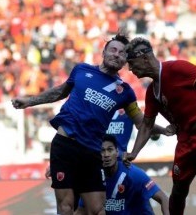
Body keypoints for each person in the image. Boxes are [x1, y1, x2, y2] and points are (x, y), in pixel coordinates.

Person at [11, 32, 144, 215]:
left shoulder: (125, 92)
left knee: (97, 210)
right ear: (103, 52)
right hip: (65, 145)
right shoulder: (81, 70)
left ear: (124, 61)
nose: (116, 54)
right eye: (113, 50)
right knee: (66, 207)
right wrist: (29, 101)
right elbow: (59, 92)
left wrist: (162, 128)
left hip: (91, 152)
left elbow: (141, 122)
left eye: (122, 53)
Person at [123, 37, 196, 215]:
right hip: (186, 141)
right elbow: (146, 125)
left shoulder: (177, 68)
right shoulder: (152, 93)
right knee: (177, 193)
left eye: (131, 62)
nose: (130, 69)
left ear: (145, 57)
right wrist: (134, 153)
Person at [76, 135, 169, 215]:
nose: (106, 154)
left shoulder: (133, 174)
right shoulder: (92, 178)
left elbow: (163, 198)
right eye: (102, 151)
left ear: (117, 152)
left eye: (110, 150)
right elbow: (81, 210)